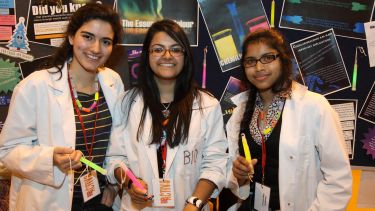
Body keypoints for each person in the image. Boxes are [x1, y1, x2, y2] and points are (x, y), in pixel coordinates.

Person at [0, 3, 124, 211]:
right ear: (70, 37)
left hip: (100, 202)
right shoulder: (35, 85)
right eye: (87, 37)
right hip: (49, 201)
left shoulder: (113, 82)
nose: (95, 48)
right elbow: (7, 151)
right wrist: (50, 159)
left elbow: (118, 145)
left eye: (105, 41)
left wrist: (113, 186)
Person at [105, 19, 228, 211]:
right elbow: (115, 158)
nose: (167, 56)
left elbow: (215, 163)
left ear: (185, 56)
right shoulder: (127, 103)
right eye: (158, 49)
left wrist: (194, 202)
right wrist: (130, 183)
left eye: (176, 49)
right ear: (147, 55)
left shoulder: (207, 105)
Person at [226, 29, 352, 211]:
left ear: (283, 60)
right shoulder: (241, 111)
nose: (259, 67)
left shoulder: (314, 107)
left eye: (268, 58)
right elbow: (234, 178)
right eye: (251, 61)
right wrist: (239, 175)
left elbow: (338, 180)